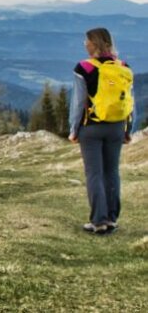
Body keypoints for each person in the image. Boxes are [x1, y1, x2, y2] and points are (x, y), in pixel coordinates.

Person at [68, 27, 136, 235]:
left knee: (94, 173)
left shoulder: (84, 68)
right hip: (116, 127)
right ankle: (112, 219)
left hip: (92, 128)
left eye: (87, 41)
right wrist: (128, 129)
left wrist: (73, 129)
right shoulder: (123, 67)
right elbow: (130, 102)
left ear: (94, 44)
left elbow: (78, 103)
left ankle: (98, 221)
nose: (84, 44)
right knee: (112, 172)